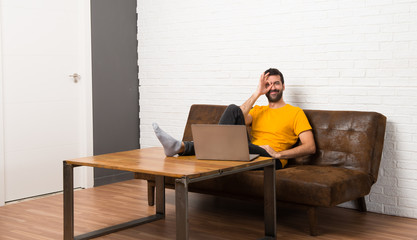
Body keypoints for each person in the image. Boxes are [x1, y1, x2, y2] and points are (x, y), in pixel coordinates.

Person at [153, 68, 316, 169]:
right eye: (268, 85)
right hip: (250, 151)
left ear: (283, 86)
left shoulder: (295, 113)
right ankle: (183, 147)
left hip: (271, 159)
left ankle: (181, 147)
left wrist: (279, 154)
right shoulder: (258, 109)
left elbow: (310, 147)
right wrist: (256, 93)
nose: (272, 87)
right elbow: (236, 118)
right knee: (232, 109)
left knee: (226, 144)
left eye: (276, 83)